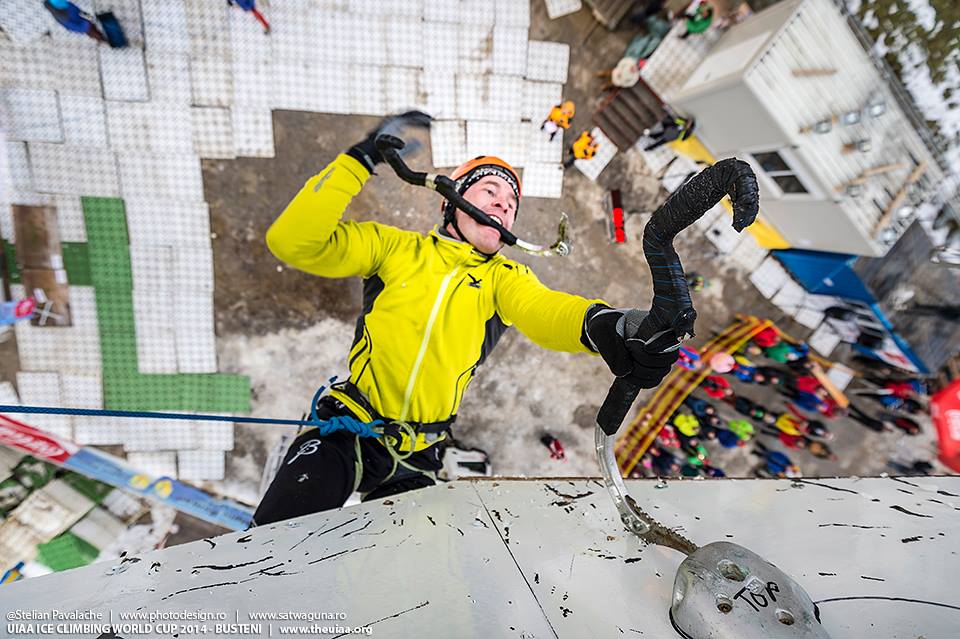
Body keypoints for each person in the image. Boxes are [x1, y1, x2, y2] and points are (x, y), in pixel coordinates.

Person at [253, 112, 678, 525]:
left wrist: (607, 325)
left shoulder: (504, 278)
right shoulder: (393, 248)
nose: (503, 204)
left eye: (511, 203)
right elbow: (293, 242)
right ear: (449, 200)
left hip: (418, 455)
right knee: (270, 547)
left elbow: (543, 309)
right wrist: (358, 161)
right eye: (490, 190)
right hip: (347, 430)